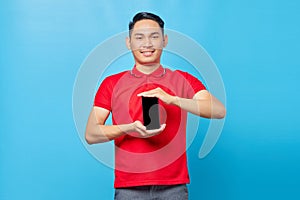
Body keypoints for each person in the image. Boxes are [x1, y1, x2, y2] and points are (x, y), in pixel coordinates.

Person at [85, 12, 226, 200]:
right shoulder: (112, 83)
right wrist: (129, 128)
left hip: (173, 187)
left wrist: (173, 99)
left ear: (164, 40)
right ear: (129, 42)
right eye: (139, 37)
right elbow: (91, 134)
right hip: (129, 188)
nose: (147, 44)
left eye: (154, 37)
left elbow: (218, 110)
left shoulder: (181, 79)